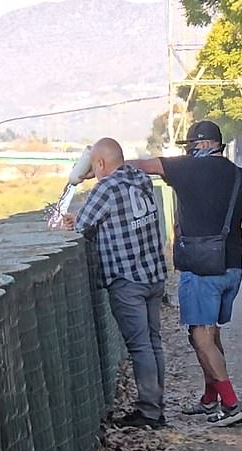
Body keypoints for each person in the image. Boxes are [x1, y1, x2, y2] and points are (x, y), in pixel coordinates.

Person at [126, 120, 242, 427]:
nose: (190, 151)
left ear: (204, 145)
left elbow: (140, 166)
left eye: (192, 145)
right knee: (210, 332)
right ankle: (210, 398)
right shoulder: (239, 176)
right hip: (231, 266)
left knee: (199, 335)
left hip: (201, 268)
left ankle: (231, 404)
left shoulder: (185, 168)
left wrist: (102, 167)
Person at [63, 137, 168, 429]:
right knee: (153, 341)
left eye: (95, 166)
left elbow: (82, 225)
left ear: (99, 164)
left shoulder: (106, 187)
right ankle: (158, 405)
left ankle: (149, 411)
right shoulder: (140, 180)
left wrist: (71, 221)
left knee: (139, 346)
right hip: (153, 274)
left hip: (127, 278)